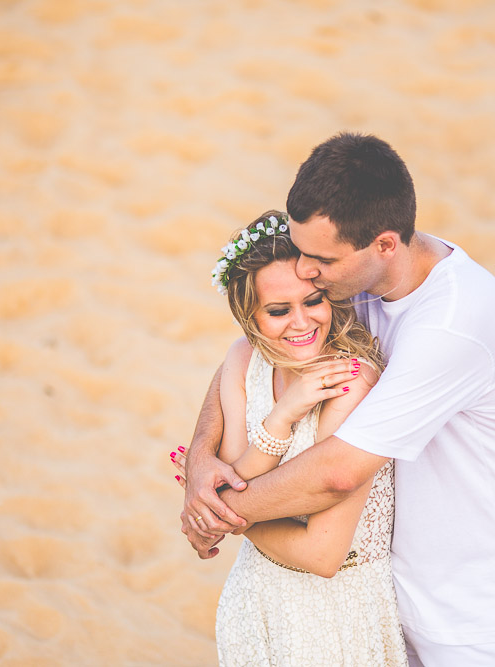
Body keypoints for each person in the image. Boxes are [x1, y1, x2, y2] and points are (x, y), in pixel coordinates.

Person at [182, 133, 495, 665]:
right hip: (385, 595)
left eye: (320, 261)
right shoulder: (353, 278)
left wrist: (214, 513)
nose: (305, 270)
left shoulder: (452, 324)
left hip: (476, 613)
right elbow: (248, 351)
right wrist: (199, 457)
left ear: (384, 244)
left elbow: (337, 471)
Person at [171, 210, 408, 665]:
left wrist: (222, 516)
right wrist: (282, 417)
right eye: (279, 310)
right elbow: (237, 483)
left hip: (334, 613)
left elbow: (322, 553)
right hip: (255, 599)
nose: (301, 323)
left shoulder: (351, 382)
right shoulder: (244, 360)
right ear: (251, 316)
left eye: (313, 301)